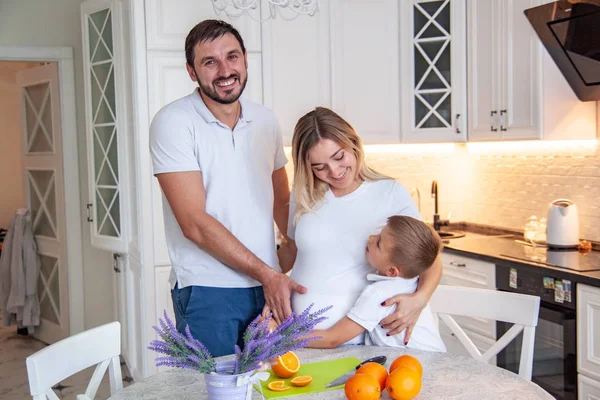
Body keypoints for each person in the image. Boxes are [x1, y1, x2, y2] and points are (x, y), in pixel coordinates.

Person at [149, 19, 306, 357]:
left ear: (245, 59)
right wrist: (269, 272)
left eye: (232, 57)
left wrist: (297, 245)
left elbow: (282, 200)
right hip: (208, 290)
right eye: (210, 62)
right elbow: (193, 223)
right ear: (192, 71)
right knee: (210, 392)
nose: (225, 70)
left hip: (267, 284)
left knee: (273, 387)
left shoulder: (265, 120)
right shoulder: (173, 122)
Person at [279, 107, 443, 344]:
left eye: (339, 157)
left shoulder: (389, 192)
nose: (334, 172)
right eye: (319, 167)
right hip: (305, 340)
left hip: (354, 342)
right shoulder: (303, 194)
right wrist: (269, 288)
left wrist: (420, 299)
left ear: (353, 143)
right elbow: (292, 251)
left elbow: (428, 257)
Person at [306, 215, 446, 352]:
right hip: (436, 356)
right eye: (378, 234)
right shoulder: (412, 279)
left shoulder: (379, 294)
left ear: (392, 271)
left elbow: (333, 339)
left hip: (418, 362)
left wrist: (287, 339)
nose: (371, 238)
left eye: (379, 243)